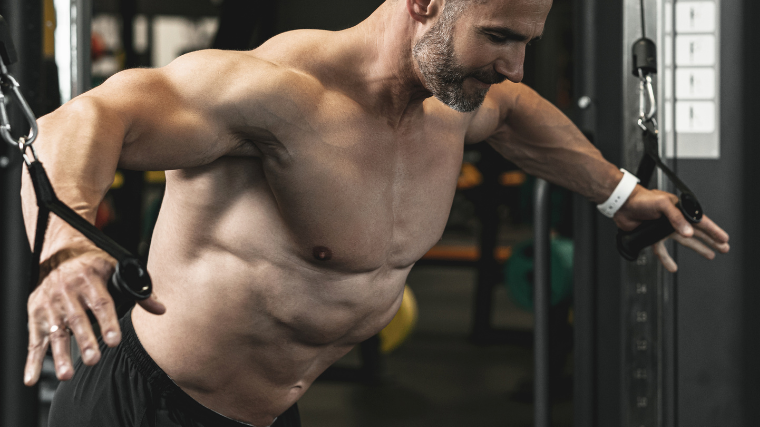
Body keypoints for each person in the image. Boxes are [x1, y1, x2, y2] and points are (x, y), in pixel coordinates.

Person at [21, 0, 730, 426]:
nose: (514, 65)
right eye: (498, 36)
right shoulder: (275, 94)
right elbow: (79, 121)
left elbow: (516, 114)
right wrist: (67, 249)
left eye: (525, 42)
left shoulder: (454, 105)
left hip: (266, 412)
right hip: (148, 406)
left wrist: (621, 194)